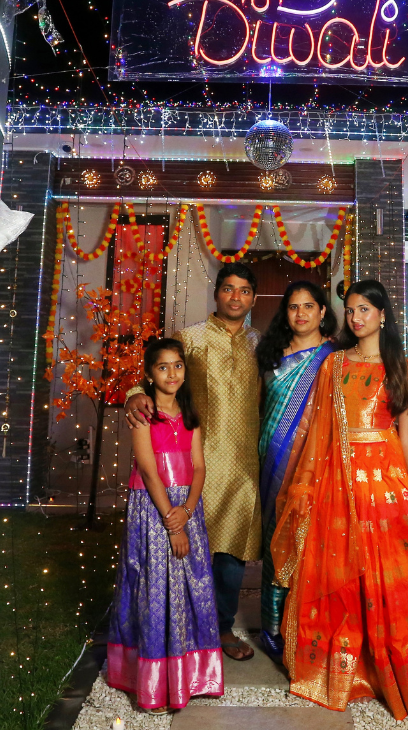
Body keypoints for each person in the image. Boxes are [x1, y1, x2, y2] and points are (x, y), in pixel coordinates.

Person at [270, 280, 408, 719]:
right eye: (351, 310)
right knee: (341, 574)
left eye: (364, 310)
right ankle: (343, 667)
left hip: (385, 481)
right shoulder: (333, 365)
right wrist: (309, 486)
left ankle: (390, 668)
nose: (356, 318)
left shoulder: (401, 368)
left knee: (392, 568)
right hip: (337, 483)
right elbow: (315, 432)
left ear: (382, 315)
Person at [125, 263, 261, 661]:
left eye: (245, 290)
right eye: (229, 289)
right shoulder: (192, 338)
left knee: (233, 553)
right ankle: (181, 627)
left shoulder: (260, 342)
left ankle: (220, 628)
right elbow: (156, 368)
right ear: (217, 293)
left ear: (252, 298)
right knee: (187, 549)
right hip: (193, 462)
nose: (236, 297)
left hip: (242, 465)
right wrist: (135, 392)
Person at [106, 338, 223, 713]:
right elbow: (147, 468)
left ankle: (192, 674)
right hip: (153, 508)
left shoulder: (191, 414)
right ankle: (155, 682)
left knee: (193, 583)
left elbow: (200, 467)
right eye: (162, 367)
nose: (171, 373)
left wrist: (187, 511)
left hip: (188, 508)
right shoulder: (143, 413)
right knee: (156, 584)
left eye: (177, 366)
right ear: (149, 374)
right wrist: (173, 522)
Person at [253, 280, 338, 656]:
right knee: (277, 540)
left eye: (309, 306)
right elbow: (259, 411)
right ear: (285, 314)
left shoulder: (335, 358)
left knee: (310, 542)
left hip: (316, 465)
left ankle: (306, 623)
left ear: (322, 311)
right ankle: (272, 626)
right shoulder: (270, 357)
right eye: (293, 307)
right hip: (273, 462)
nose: (301, 313)